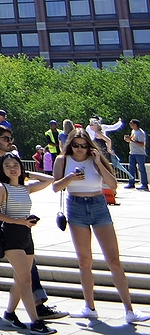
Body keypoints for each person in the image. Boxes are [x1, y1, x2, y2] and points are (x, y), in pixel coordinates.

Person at [53, 128, 150, 323]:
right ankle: (89, 306)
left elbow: (113, 185)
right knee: (84, 260)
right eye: (76, 146)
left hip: (98, 205)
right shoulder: (62, 161)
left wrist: (98, 162)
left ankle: (130, 310)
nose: (80, 150)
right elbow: (56, 186)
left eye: (84, 146)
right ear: (69, 145)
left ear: (89, 145)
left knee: (113, 259)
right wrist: (70, 178)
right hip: (76, 205)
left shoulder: (95, 158)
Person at [0, 124, 62, 322]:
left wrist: (23, 173)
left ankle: (35, 303)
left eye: (10, 139)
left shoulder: (14, 162)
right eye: (6, 139)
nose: (10, 142)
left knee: (27, 267)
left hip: (19, 224)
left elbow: (46, 180)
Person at [0, 152, 57, 332]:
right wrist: (19, 221)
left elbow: (50, 179)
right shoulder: (0, 188)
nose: (12, 169)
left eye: (15, 165)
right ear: (2, 170)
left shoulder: (25, 188)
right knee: (26, 280)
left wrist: (29, 174)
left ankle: (10, 313)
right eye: (7, 166)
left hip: (26, 234)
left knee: (20, 280)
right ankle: (35, 321)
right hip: (11, 235)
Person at [124, 119, 148, 191]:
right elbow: (132, 141)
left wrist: (131, 140)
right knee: (131, 168)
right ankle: (131, 183)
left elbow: (142, 144)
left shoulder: (141, 133)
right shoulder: (133, 131)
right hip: (132, 152)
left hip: (139, 153)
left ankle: (144, 184)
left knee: (141, 169)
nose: (130, 124)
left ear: (135, 124)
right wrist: (128, 139)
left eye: (131, 123)